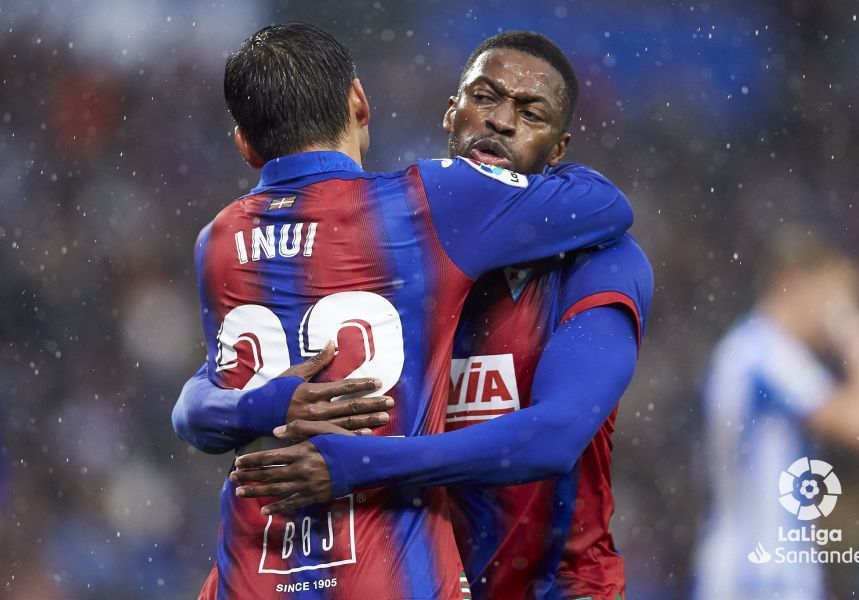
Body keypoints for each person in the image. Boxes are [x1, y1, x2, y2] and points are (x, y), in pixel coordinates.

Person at [176, 23, 635, 600]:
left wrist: (361, 461)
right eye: (484, 97)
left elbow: (555, 437)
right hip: (403, 572)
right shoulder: (409, 227)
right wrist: (261, 407)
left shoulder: (598, 262)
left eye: (531, 113)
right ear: (448, 112)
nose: (500, 121)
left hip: (545, 587)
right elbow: (197, 400)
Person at [692, 230, 859, 599]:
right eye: (837, 298)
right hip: (762, 571)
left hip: (751, 560)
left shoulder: (749, 347)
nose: (842, 314)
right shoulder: (769, 355)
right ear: (797, 283)